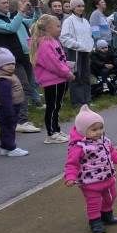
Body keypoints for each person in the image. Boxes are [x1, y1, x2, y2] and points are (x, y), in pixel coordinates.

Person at [64, 105, 117, 233]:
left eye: (100, 128)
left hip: (108, 177)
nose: (98, 132)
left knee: (111, 197)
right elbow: (72, 163)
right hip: (90, 182)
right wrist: (70, 177)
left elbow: (112, 152)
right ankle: (95, 221)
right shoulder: (79, 147)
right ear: (83, 130)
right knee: (94, 202)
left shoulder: (104, 140)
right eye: (94, 130)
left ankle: (107, 214)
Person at [0, 0, 40, 133]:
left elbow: (32, 24)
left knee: (2, 88)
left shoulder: (5, 16)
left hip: (15, 58)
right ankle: (22, 120)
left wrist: (34, 10)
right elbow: (11, 28)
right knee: (22, 87)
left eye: (7, 2)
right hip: (6, 61)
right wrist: (20, 12)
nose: (7, 4)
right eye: (3, 3)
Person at [31, 14, 73, 144]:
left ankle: (56, 129)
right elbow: (53, 63)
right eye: (58, 26)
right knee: (52, 106)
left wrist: (67, 69)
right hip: (52, 80)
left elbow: (60, 59)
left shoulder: (54, 41)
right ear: (48, 28)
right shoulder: (44, 43)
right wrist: (67, 73)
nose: (60, 28)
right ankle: (51, 133)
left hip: (60, 78)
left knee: (57, 105)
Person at [0, 47, 29, 157]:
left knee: (7, 128)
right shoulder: (3, 80)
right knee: (9, 128)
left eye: (12, 64)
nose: (11, 66)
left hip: (11, 107)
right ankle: (11, 148)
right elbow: (5, 98)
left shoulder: (8, 75)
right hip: (8, 108)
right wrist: (10, 112)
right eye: (7, 64)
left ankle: (5, 147)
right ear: (0, 65)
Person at [60, 0, 95, 108]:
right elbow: (64, 38)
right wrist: (77, 45)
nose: (81, 8)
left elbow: (89, 35)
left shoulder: (85, 21)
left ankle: (87, 100)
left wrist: (90, 45)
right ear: (72, 8)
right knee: (76, 76)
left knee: (85, 76)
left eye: (82, 6)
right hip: (74, 52)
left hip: (85, 52)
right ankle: (78, 102)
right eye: (78, 6)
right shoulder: (68, 21)